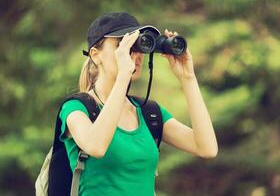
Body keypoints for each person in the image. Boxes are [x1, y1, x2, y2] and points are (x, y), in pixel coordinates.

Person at [58, 12, 218, 196]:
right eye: (123, 46)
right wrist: (124, 74)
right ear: (96, 55)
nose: (135, 55)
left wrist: (188, 78)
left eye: (138, 45)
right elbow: (96, 146)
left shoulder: (149, 113)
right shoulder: (76, 109)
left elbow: (207, 148)